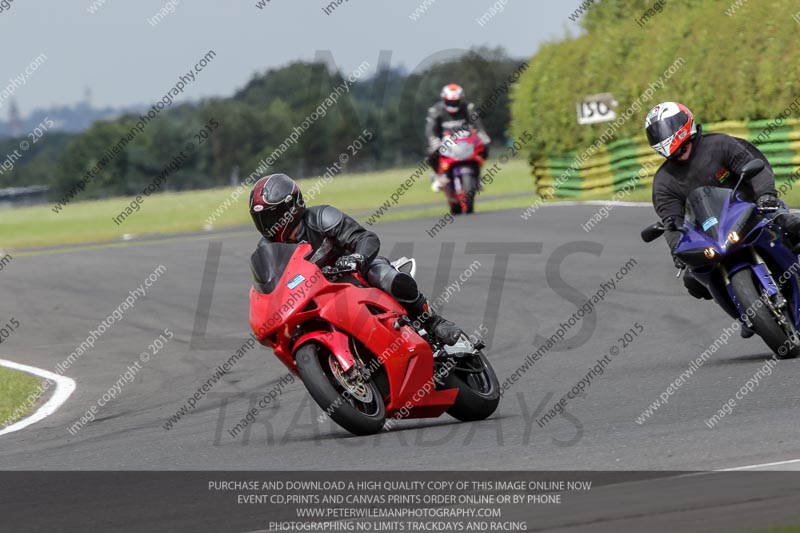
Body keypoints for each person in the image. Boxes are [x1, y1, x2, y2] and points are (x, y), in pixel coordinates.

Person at [249, 173, 465, 346]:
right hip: (315, 296)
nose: (267, 224)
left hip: (355, 273)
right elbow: (271, 288)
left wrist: (357, 258)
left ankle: (434, 322)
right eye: (260, 218)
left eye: (271, 215)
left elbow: (365, 238)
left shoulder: (321, 217)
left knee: (386, 277)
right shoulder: (267, 248)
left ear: (291, 206)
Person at [646, 101, 800, 337]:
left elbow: (756, 169)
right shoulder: (664, 181)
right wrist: (676, 247)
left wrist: (766, 196)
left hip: (755, 211)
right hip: (711, 234)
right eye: (658, 133)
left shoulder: (720, 145)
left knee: (790, 224)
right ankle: (745, 309)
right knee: (692, 278)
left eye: (668, 129)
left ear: (683, 125)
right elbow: (671, 219)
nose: (665, 138)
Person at [425, 83, 491, 191]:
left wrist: (482, 134)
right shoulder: (436, 110)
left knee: (485, 145)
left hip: (466, 140)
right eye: (450, 101)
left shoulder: (467, 107)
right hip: (444, 142)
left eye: (455, 101)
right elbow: (430, 128)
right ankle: (439, 176)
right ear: (444, 99)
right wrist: (433, 139)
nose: (453, 103)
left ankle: (477, 176)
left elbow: (477, 123)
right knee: (431, 153)